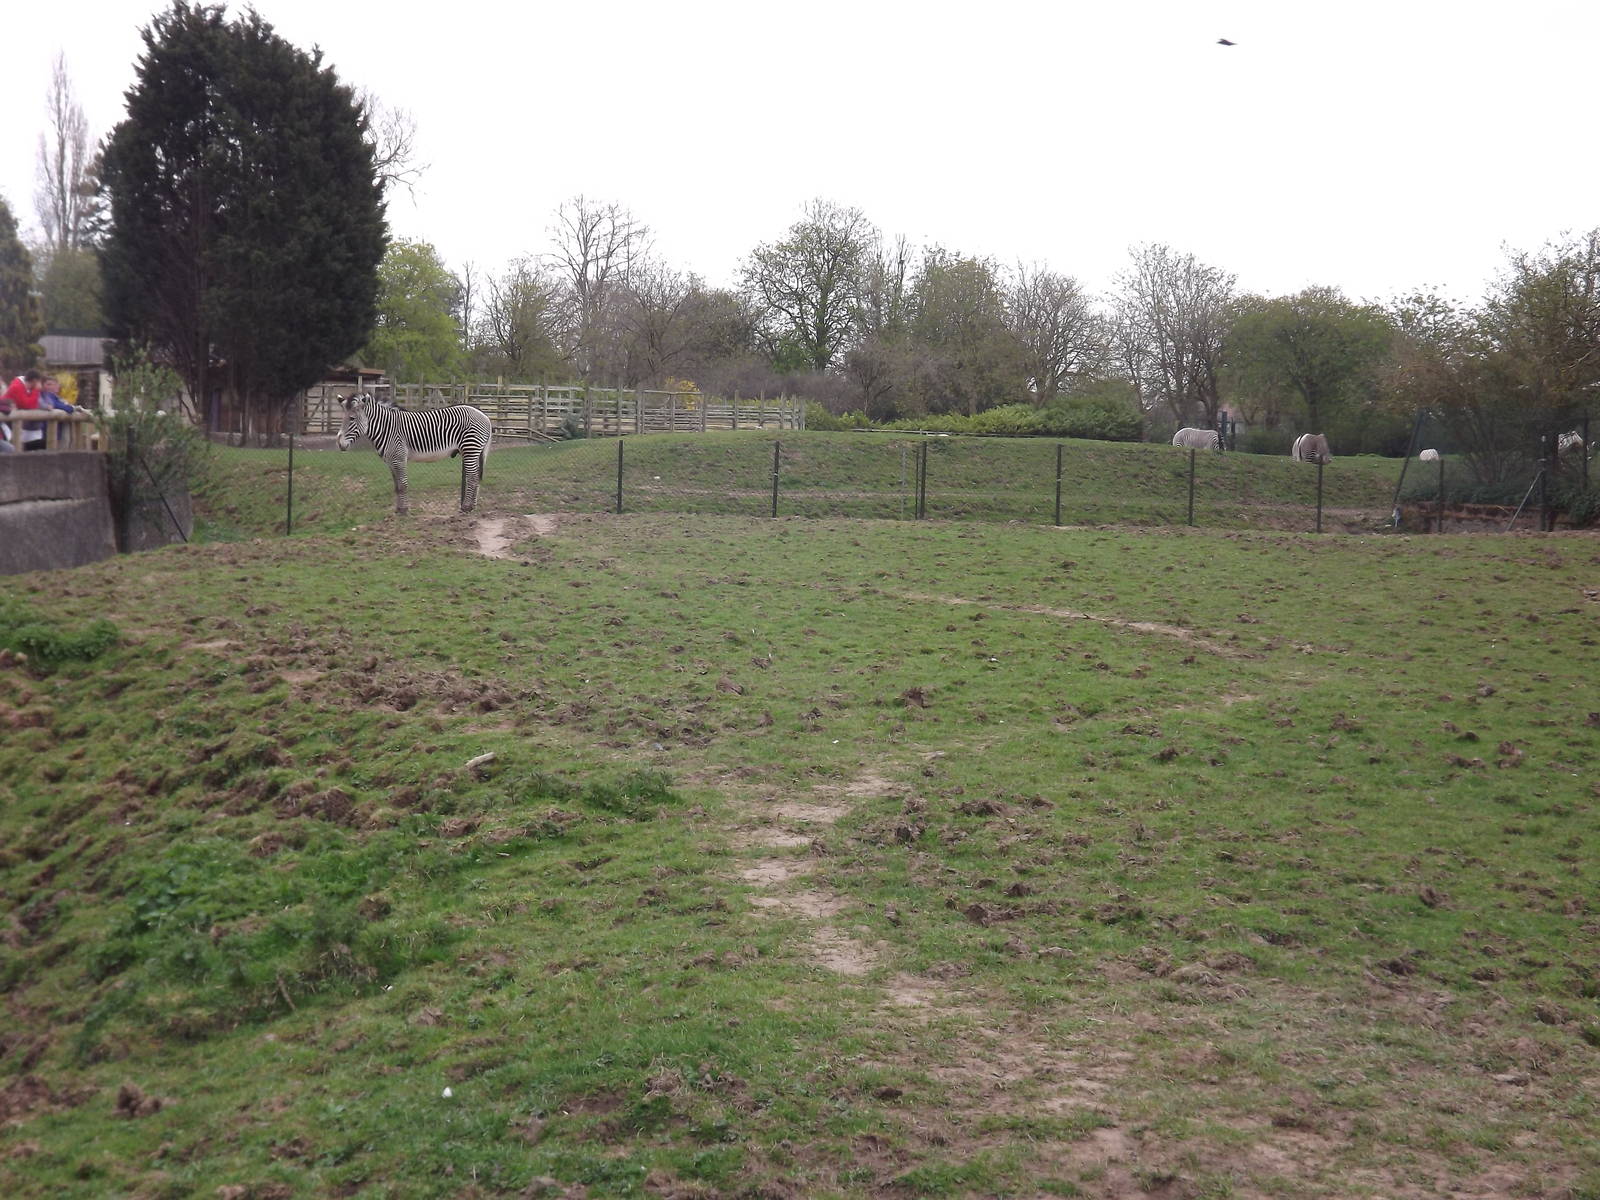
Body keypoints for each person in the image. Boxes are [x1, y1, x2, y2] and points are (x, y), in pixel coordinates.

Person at [2, 370, 45, 451]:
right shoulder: (17, 386)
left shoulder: (27, 389)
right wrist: (36, 390)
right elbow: (27, 405)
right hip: (7, 421)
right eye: (39, 382)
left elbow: (34, 405)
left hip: (16, 422)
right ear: (34, 381)